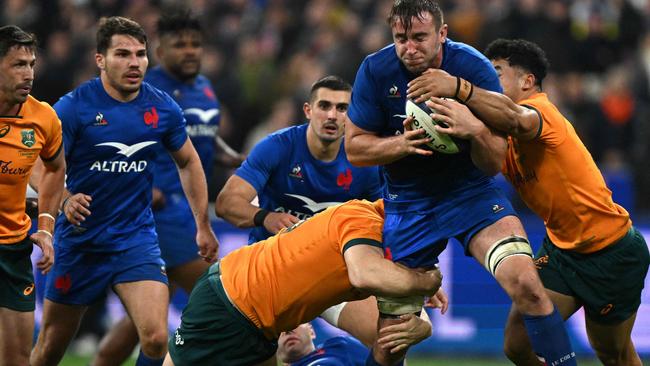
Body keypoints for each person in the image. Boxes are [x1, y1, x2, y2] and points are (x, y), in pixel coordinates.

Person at [344, 1, 576, 365]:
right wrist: (401, 144)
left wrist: (473, 126)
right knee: (391, 341)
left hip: (470, 194)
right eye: (401, 38)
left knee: (528, 286)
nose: (410, 47)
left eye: (420, 37)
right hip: (407, 205)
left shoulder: (471, 67)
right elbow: (355, 148)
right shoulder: (375, 70)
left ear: (442, 34)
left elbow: (493, 162)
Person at [411, 38, 650, 366]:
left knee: (614, 355)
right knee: (516, 344)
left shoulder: (542, 112)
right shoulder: (498, 136)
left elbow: (516, 119)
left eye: (496, 73)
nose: (488, 81)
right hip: (562, 252)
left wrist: (460, 88)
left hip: (610, 251)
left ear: (527, 81)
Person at [30, 16, 219, 366]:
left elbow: (189, 162)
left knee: (155, 338)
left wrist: (202, 224)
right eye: (122, 54)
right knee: (49, 350)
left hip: (135, 240)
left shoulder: (161, 107)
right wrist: (67, 199)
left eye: (140, 54)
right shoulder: (73, 108)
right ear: (100, 59)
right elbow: (39, 165)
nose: (134, 63)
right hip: (81, 242)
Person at [92, 11, 242, 366]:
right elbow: (117, 141)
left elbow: (199, 136)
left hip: (187, 211)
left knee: (140, 324)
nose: (190, 51)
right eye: (179, 45)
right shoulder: (145, 90)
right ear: (159, 51)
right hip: (159, 216)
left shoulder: (203, 87)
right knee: (223, 300)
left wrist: (231, 156)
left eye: (195, 44)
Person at [164, 199, 442, 366]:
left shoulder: (383, 249)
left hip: (260, 325)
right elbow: (364, 275)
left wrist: (415, 292)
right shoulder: (363, 219)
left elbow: (391, 339)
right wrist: (423, 282)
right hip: (230, 298)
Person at [216, 75, 383, 244]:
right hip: (271, 257)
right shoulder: (276, 147)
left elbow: (385, 217)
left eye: (341, 108)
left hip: (328, 261)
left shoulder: (365, 162)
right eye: (324, 106)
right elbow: (226, 203)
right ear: (308, 110)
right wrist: (266, 217)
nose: (332, 115)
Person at [0, 25, 65, 366]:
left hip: (13, 250)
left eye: (32, 64)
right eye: (18, 65)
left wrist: (46, 225)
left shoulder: (43, 118)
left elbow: (55, 169)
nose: (29, 74)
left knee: (17, 358)